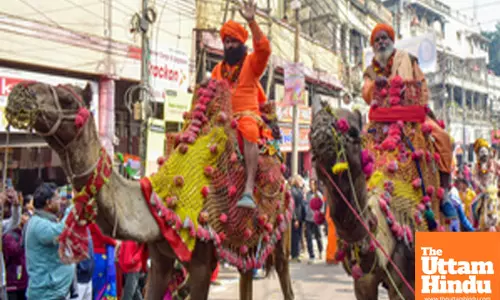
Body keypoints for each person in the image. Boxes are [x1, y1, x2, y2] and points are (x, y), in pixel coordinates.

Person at [361, 23, 453, 191]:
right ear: (373, 47)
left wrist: (413, 101)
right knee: (358, 148)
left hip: (411, 116)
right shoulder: (370, 72)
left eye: (385, 38)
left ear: (392, 41)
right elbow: (366, 92)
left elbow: (422, 87)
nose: (381, 42)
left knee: (443, 138)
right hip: (381, 120)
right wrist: (376, 85)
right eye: (377, 40)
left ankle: (445, 190)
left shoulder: (407, 59)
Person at [211, 0, 272, 209]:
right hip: (223, 118)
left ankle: (248, 188)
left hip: (247, 114)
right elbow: (212, 92)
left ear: (241, 44)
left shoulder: (251, 62)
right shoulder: (218, 68)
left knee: (247, 128)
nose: (229, 45)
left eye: (233, 41)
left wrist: (252, 21)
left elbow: (264, 49)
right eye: (226, 41)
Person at [24, 183, 74, 300]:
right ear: (48, 203)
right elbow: (61, 232)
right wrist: (73, 209)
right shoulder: (38, 223)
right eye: (57, 198)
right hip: (45, 295)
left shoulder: (45, 221)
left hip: (53, 294)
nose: (60, 202)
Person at [89, 223, 118, 300]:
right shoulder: (95, 222)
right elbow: (104, 237)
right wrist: (115, 242)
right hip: (98, 257)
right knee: (99, 286)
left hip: (96, 257)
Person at [304, 179, 323, 262]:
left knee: (318, 236)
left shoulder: (318, 194)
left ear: (315, 185)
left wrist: (320, 215)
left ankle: (320, 250)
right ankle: (311, 255)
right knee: (308, 237)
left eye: (313, 184)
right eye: (310, 184)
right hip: (308, 219)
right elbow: (305, 205)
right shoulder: (307, 194)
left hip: (316, 219)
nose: (311, 185)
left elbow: (322, 206)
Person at [290, 175, 305, 262]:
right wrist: (295, 218)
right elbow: (292, 206)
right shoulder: (292, 191)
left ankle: (298, 252)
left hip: (300, 217)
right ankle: (294, 254)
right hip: (296, 217)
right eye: (300, 180)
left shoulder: (299, 190)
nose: (301, 182)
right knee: (295, 237)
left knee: (299, 236)